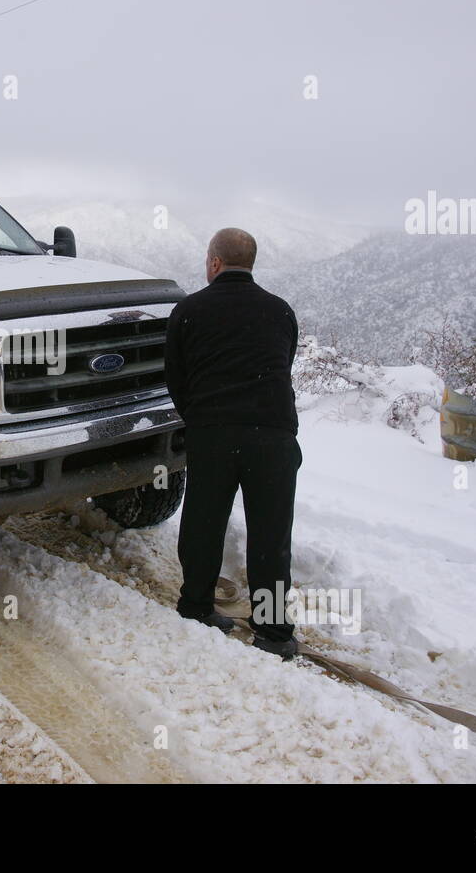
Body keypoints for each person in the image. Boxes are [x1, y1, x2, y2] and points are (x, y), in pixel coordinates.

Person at [164, 227, 302, 659]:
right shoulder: (280, 312)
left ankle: (196, 605)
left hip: (213, 433)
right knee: (271, 534)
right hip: (274, 436)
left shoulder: (188, 311)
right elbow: (284, 362)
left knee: (204, 522)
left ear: (214, 262)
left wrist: (203, 417)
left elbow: (176, 378)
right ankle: (274, 633)